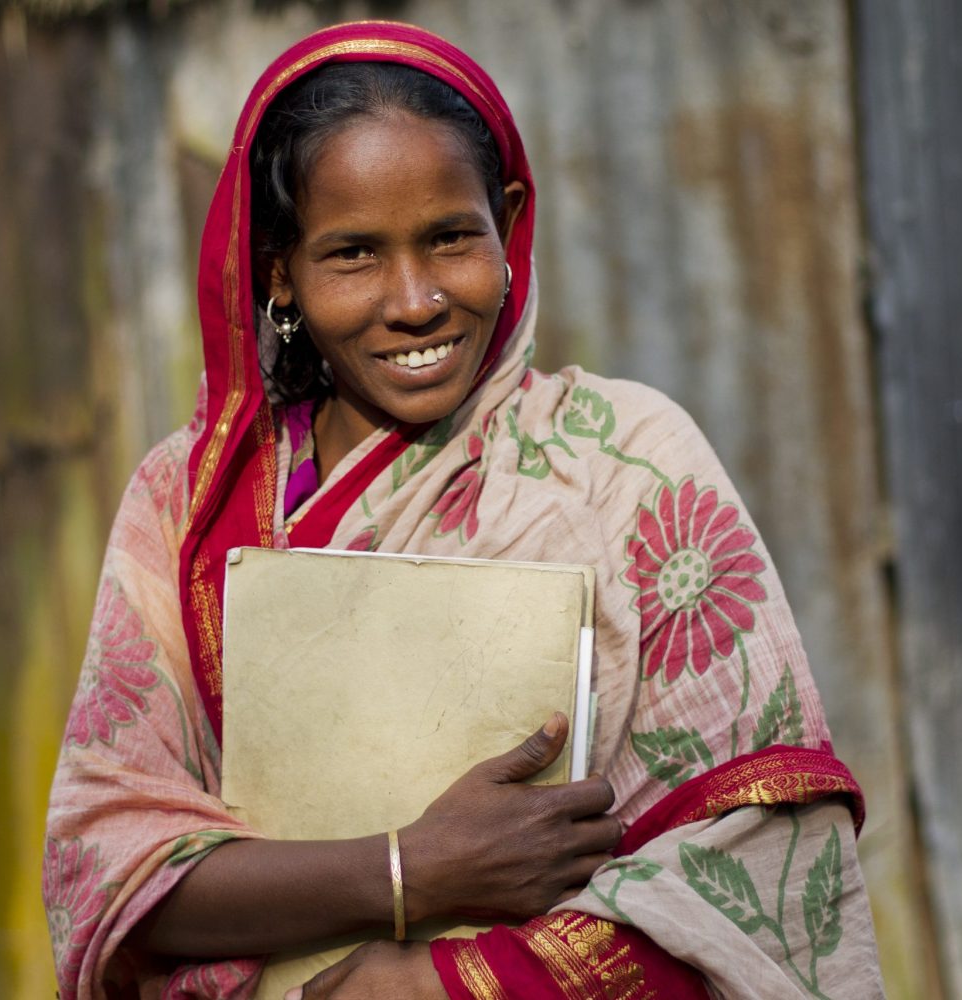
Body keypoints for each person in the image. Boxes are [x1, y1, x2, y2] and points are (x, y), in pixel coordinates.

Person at [43, 20, 885, 1000]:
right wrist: (409, 870)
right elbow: (111, 866)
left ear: (508, 219)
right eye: (352, 253)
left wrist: (448, 981)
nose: (414, 301)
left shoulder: (621, 465)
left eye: (450, 238)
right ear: (280, 271)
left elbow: (758, 843)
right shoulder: (190, 505)